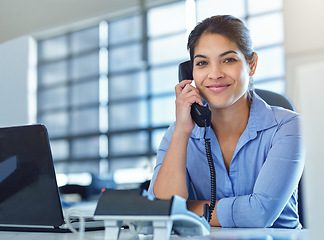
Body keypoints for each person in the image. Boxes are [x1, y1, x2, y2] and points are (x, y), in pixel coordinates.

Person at [147, 15, 304, 228]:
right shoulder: (179, 133)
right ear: (189, 73)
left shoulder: (288, 127)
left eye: (228, 60)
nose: (215, 74)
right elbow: (159, 209)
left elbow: (258, 214)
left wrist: (182, 211)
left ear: (252, 64)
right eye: (202, 63)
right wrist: (183, 131)